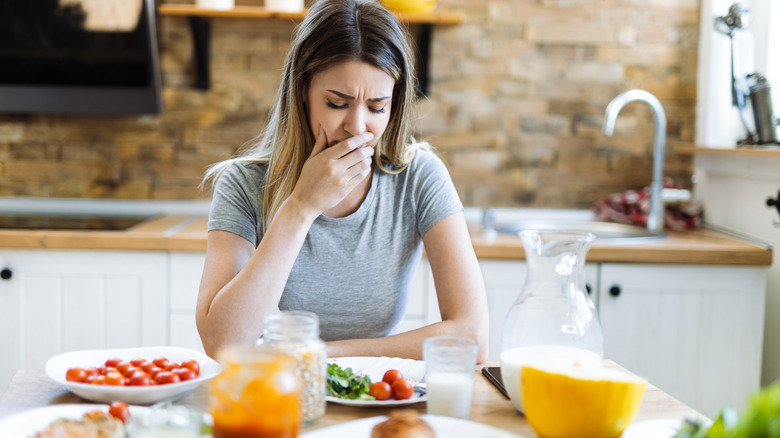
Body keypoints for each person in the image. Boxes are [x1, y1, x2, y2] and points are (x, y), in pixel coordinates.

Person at [196, 0, 488, 362]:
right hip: (274, 396)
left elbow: (472, 337)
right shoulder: (242, 183)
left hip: (376, 397)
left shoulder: (419, 177)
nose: (357, 127)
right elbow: (223, 343)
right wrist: (301, 207)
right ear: (303, 91)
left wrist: (320, 355)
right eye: (337, 103)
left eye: (377, 107)